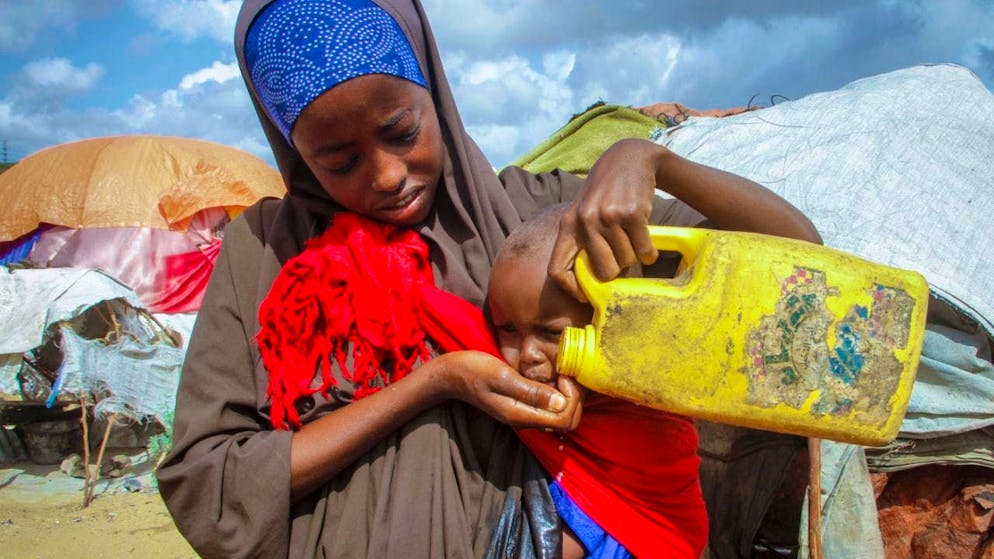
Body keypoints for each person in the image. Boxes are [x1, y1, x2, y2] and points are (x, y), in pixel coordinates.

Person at [156, 0, 822, 557]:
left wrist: (650, 160)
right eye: (338, 159)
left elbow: (794, 253)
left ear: (435, 95)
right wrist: (434, 383)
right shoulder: (264, 254)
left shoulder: (534, 217)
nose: (386, 175)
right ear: (294, 155)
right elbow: (207, 484)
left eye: (401, 130)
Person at [487, 203, 707, 559]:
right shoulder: (523, 408)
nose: (527, 354)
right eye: (508, 329)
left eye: (551, 331)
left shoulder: (647, 404)